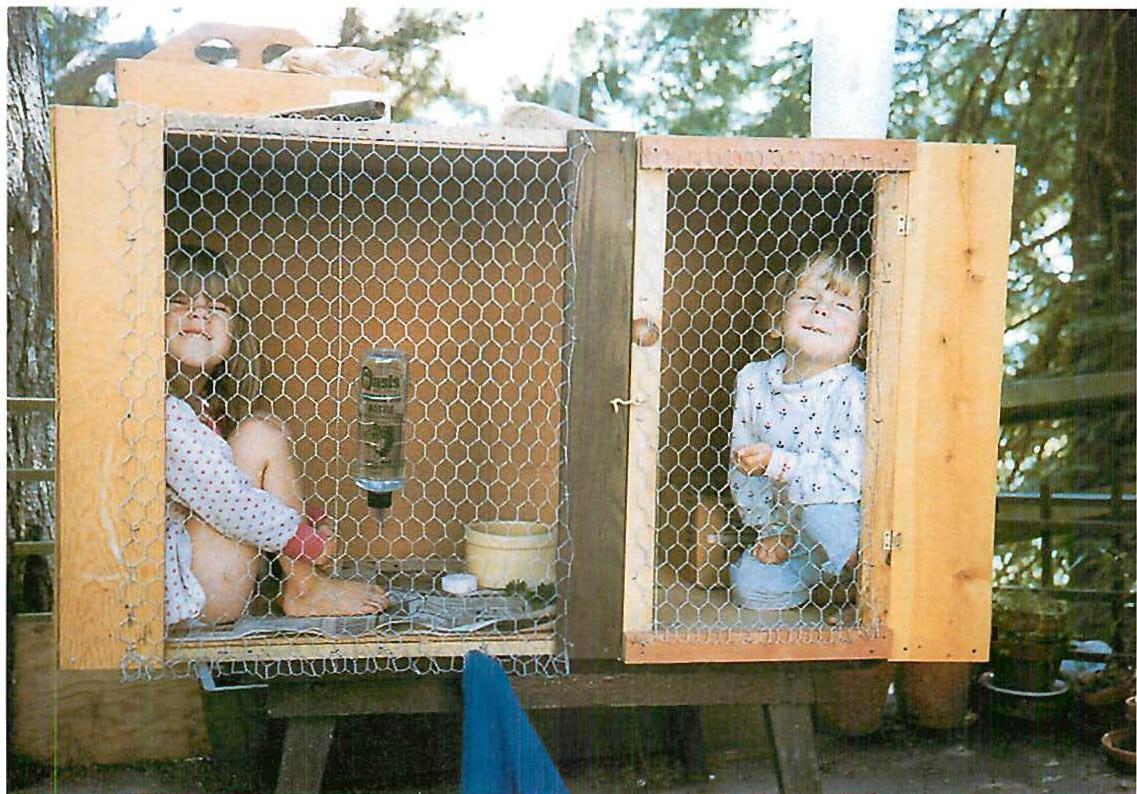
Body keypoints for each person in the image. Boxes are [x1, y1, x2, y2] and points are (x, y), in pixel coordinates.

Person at [164, 244, 388, 626]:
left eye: (217, 307)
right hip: (186, 596)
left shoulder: (201, 406)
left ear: (236, 331)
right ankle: (305, 587)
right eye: (181, 301)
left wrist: (298, 519)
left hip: (196, 578)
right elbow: (227, 500)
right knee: (262, 436)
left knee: (262, 431)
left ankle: (304, 582)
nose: (200, 313)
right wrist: (303, 540)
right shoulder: (160, 411)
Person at [727, 249, 867, 610]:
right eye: (809, 298)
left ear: (863, 337)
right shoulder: (753, 381)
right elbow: (744, 470)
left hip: (843, 526)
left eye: (843, 305)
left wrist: (780, 463)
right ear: (776, 317)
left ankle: (858, 578)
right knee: (752, 588)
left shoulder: (855, 388)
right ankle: (825, 584)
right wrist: (772, 531)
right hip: (794, 535)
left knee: (824, 514)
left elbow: (849, 479)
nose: (822, 309)